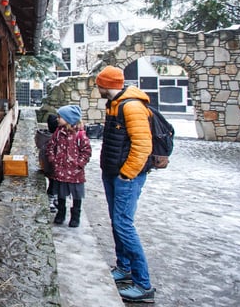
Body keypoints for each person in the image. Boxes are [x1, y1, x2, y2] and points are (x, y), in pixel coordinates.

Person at [96, 65, 156, 303]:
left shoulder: (131, 106)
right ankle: (124, 268)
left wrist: (126, 174)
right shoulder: (114, 104)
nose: (97, 87)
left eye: (99, 84)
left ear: (106, 85)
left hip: (125, 177)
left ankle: (143, 285)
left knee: (124, 225)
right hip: (113, 173)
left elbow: (143, 146)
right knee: (117, 222)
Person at [45, 105, 90, 227]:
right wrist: (53, 160)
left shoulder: (80, 135)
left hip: (75, 173)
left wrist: (79, 164)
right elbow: (50, 146)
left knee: (76, 195)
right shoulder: (58, 133)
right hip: (60, 170)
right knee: (61, 194)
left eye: (60, 117)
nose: (57, 119)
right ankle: (61, 214)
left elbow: (86, 151)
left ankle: (75, 216)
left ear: (69, 119)